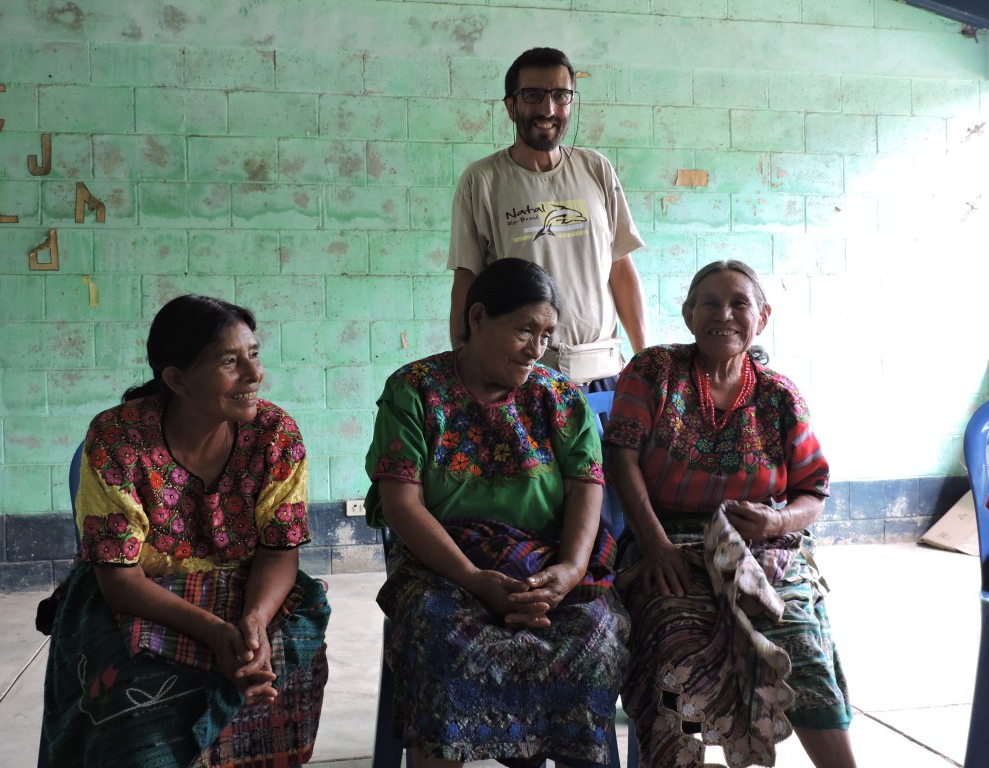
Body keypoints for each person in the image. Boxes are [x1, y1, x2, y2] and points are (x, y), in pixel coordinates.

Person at [41, 295, 330, 768]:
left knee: (287, 661)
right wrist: (215, 633)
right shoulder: (118, 439)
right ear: (176, 379)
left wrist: (254, 623)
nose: (254, 374)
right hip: (140, 594)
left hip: (246, 586)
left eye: (254, 355)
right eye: (230, 362)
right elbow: (120, 580)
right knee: (133, 695)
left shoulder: (275, 434)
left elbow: (279, 553)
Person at [365, 258, 630, 767]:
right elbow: (402, 504)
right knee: (441, 641)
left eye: (546, 335)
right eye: (524, 330)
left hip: (545, 563)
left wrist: (570, 570)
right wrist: (473, 578)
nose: (536, 349)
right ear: (478, 317)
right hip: (441, 568)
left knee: (593, 640)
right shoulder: (415, 390)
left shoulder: (557, 395)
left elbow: (586, 484)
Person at [603, 261, 857, 768]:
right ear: (688, 314)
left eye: (739, 303)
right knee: (674, 643)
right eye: (710, 303)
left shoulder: (779, 395)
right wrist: (654, 545)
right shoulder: (655, 371)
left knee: (798, 642)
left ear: (762, 317)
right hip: (667, 545)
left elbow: (813, 490)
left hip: (763, 550)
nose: (724, 314)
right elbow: (619, 456)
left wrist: (777, 522)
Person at [448, 46, 648, 391]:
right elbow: (467, 280)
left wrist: (646, 361)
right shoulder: (481, 181)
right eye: (533, 95)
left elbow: (620, 268)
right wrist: (462, 371)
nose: (548, 109)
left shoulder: (596, 169)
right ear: (511, 106)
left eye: (560, 95)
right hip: (524, 379)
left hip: (603, 374)